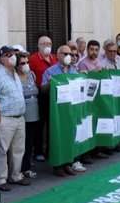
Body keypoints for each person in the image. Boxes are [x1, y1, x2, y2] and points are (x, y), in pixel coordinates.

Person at [0, 46, 30, 190]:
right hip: (5, 118)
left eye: (13, 54)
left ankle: (15, 175)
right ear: (2, 58)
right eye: (8, 54)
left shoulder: (15, 73)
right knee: (2, 150)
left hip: (19, 117)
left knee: (18, 149)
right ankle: (0, 179)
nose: (12, 56)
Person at [42, 45, 84, 175]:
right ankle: (58, 165)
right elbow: (42, 90)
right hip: (57, 111)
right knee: (57, 136)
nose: (68, 56)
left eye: (71, 54)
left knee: (70, 135)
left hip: (71, 109)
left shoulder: (74, 71)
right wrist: (49, 84)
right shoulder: (50, 71)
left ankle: (68, 163)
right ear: (58, 55)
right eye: (65, 53)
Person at [29, 36, 57, 162]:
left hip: (53, 94)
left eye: (49, 43)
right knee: (40, 124)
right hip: (40, 93)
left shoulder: (55, 58)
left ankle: (51, 150)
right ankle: (38, 151)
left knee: (52, 122)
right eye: (44, 43)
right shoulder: (33, 59)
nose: (47, 45)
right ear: (38, 45)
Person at [16, 51, 39, 179]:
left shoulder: (31, 75)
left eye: (27, 62)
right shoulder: (14, 77)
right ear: (17, 65)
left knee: (29, 143)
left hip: (34, 114)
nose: (26, 65)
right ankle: (19, 168)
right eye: (22, 63)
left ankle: (26, 167)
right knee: (20, 144)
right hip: (21, 115)